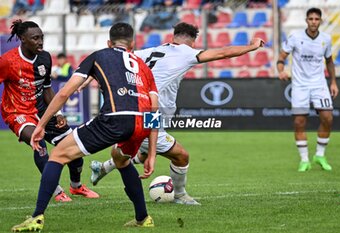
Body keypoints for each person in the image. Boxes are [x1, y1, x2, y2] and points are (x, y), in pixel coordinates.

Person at [87, 22, 264, 205]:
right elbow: (222, 53)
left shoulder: (149, 51)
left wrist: (88, 77)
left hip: (141, 110)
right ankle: (179, 195)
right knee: (181, 156)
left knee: (140, 154)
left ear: (173, 37)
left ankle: (102, 168)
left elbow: (113, 61)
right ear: (193, 42)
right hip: (149, 114)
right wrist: (251, 46)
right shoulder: (186, 53)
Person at [12, 22, 159, 232]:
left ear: (109, 43)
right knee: (120, 158)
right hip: (141, 124)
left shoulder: (99, 55)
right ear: (132, 44)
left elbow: (63, 94)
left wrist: (41, 124)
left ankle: (36, 218)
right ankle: (143, 218)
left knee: (57, 156)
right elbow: (154, 110)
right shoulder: (144, 67)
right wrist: (151, 153)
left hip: (115, 119)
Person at [0, 20, 98, 203]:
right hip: (18, 112)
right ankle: (56, 190)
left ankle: (76, 187)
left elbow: (47, 89)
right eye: (35, 38)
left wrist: (58, 113)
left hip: (43, 110)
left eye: (41, 38)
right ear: (22, 39)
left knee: (74, 147)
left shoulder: (45, 58)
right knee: (39, 143)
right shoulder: (7, 61)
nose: (40, 42)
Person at [277, 8, 339, 172]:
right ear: (306, 20)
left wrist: (333, 82)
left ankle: (320, 154)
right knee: (299, 122)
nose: (313, 21)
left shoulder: (326, 39)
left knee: (328, 118)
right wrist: (281, 70)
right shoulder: (296, 38)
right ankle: (304, 160)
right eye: (310, 19)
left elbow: (329, 61)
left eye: (316, 19)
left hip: (319, 85)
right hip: (300, 86)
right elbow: (281, 57)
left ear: (320, 21)